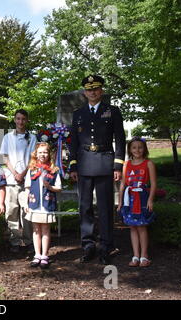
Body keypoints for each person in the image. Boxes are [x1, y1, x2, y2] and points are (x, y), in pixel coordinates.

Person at [68, 75, 126, 265]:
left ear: (101, 91)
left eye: (96, 89)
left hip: (104, 162)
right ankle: (88, 246)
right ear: (85, 92)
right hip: (84, 163)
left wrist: (118, 164)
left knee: (105, 207)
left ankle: (106, 246)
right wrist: (73, 164)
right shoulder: (78, 113)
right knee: (84, 207)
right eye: (89, 89)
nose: (92, 92)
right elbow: (73, 141)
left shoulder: (112, 111)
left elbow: (120, 138)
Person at [0, 109, 37, 254]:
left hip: (26, 179)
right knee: (11, 210)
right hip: (11, 179)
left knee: (26, 211)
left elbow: (33, 158)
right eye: (18, 119)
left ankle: (28, 241)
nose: (20, 122)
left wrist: (23, 173)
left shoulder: (32, 138)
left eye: (23, 119)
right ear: (15, 120)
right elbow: (5, 158)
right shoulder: (8, 137)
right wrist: (15, 173)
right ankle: (14, 240)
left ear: (27, 121)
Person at [117, 137, 156, 267]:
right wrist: (121, 201)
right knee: (132, 227)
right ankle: (135, 256)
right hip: (130, 199)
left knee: (142, 226)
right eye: (134, 147)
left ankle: (144, 256)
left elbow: (154, 183)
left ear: (144, 148)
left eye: (140, 147)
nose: (137, 150)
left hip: (142, 197)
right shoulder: (126, 164)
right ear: (130, 149)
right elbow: (123, 183)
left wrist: (150, 199)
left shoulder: (148, 163)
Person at [24, 142, 62, 269]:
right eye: (40, 152)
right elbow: (27, 188)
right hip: (34, 204)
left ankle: (45, 255)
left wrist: (49, 187)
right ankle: (37, 254)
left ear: (49, 154)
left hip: (47, 203)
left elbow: (59, 188)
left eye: (45, 152)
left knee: (45, 230)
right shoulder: (32, 170)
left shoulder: (54, 170)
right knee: (36, 230)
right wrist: (26, 203)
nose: (42, 154)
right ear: (36, 154)